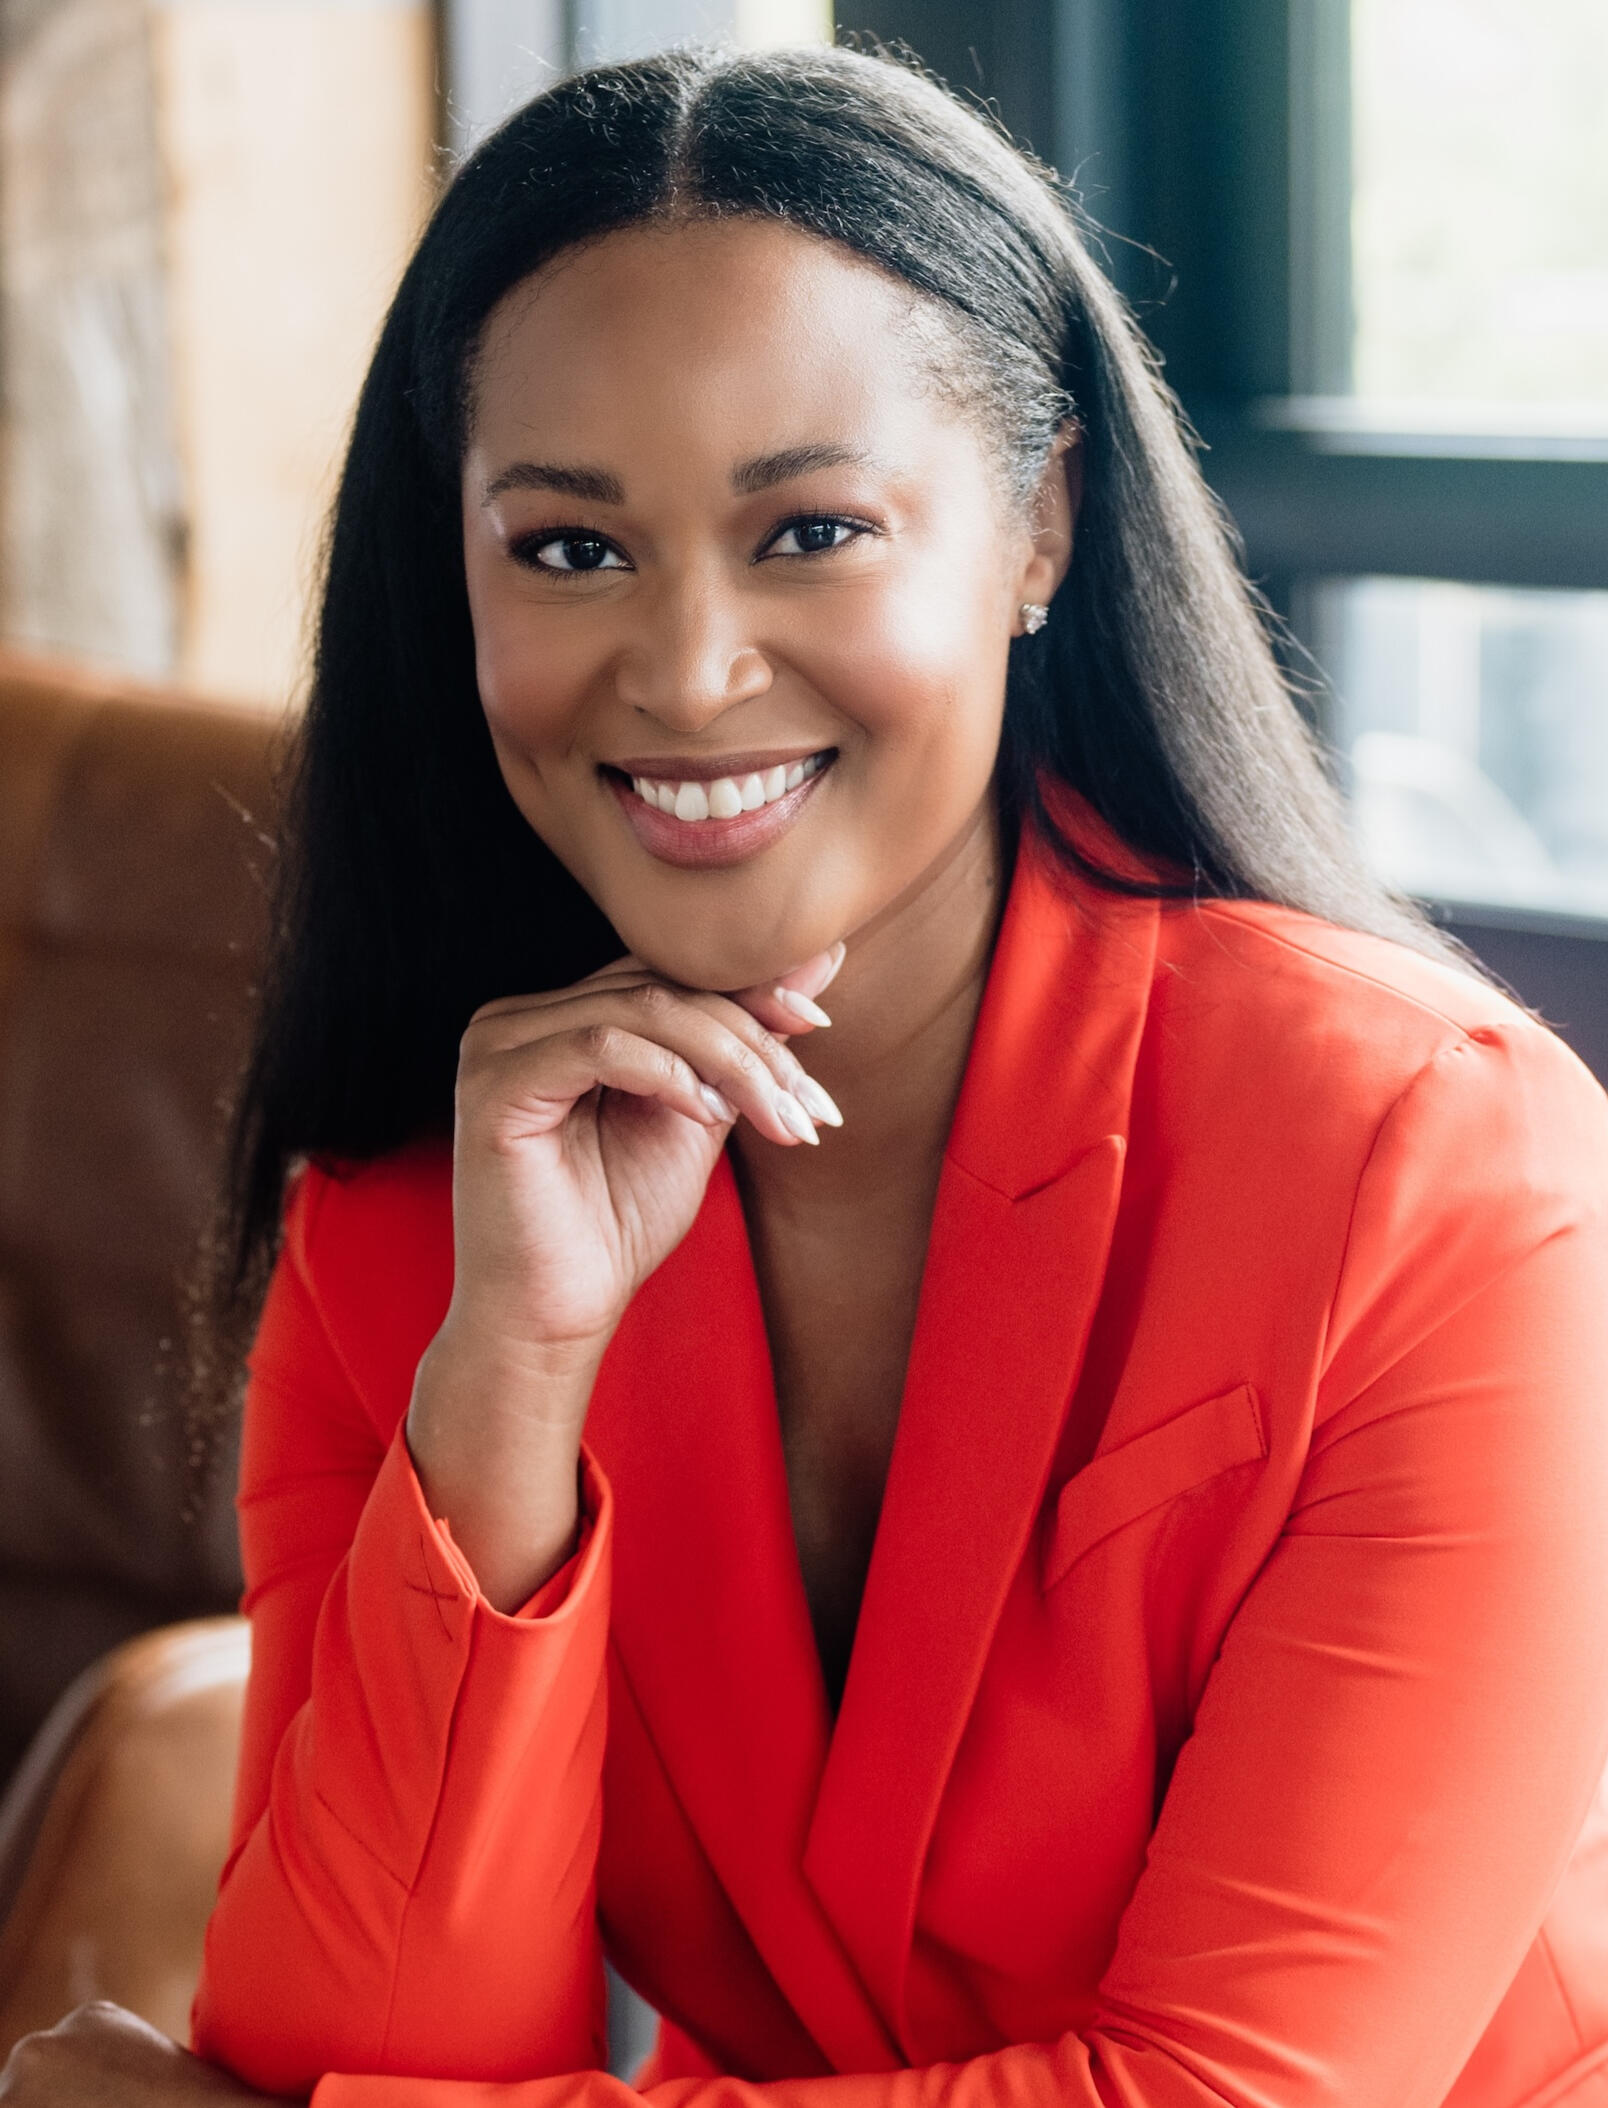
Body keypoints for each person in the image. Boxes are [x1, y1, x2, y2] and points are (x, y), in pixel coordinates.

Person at [8, 38, 1608, 2108]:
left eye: (812, 531)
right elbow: (371, 2042)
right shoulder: (419, 1220)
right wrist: (512, 1386)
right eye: (570, 550)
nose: (684, 670)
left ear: (1039, 526)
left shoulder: (1447, 1169)